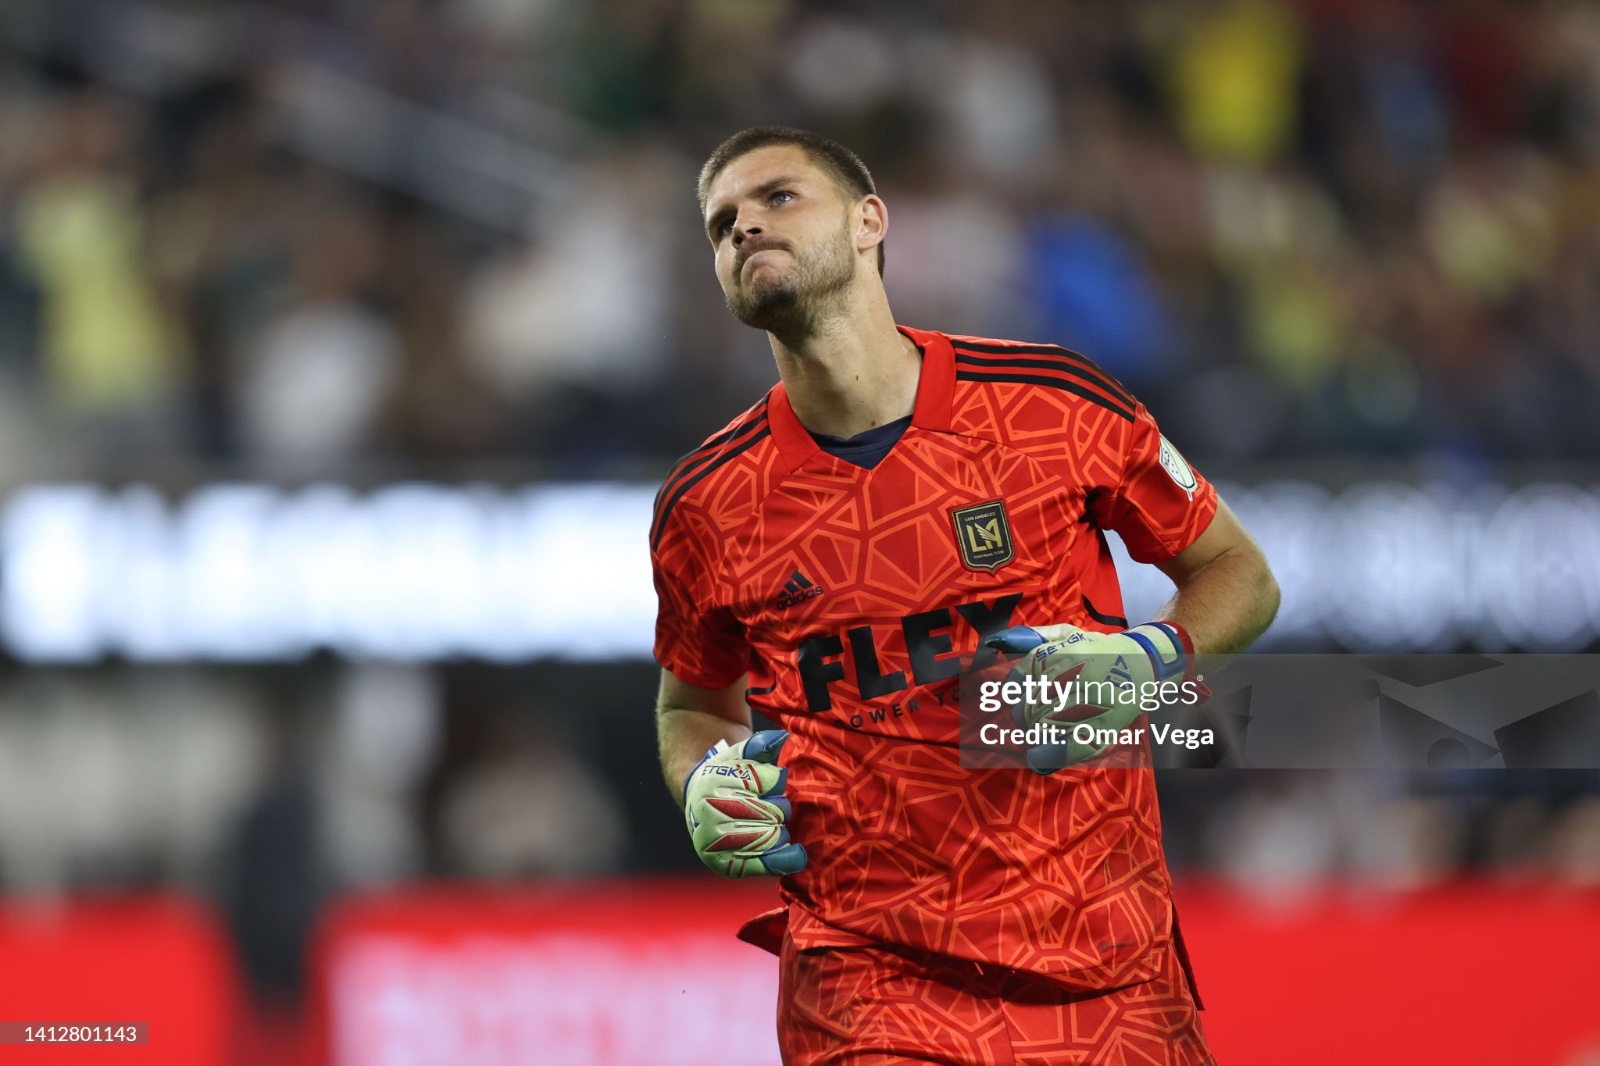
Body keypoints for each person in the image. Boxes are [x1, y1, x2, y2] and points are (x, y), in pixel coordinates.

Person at [651, 126, 1279, 1066]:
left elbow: (1242, 575)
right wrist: (702, 778)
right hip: (867, 986)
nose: (743, 227)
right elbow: (690, 706)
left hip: (1109, 974)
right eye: (721, 223)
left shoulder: (1052, 404)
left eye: (778, 198)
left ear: (871, 222)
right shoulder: (706, 503)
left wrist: (1153, 661)